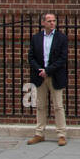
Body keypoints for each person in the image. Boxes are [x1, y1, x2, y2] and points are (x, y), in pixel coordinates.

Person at [27, 13, 68, 146]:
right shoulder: (36, 38)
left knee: (58, 106)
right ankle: (39, 133)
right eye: (49, 21)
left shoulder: (61, 38)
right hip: (40, 76)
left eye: (54, 21)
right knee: (40, 106)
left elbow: (63, 58)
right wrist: (40, 70)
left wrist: (48, 70)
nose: (52, 23)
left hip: (55, 75)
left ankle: (61, 134)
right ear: (43, 22)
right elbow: (31, 57)